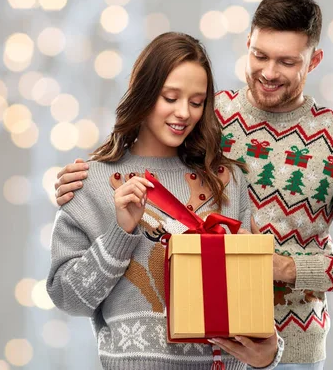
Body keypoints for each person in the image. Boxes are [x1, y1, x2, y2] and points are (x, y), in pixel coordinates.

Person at [55, 0, 333, 370]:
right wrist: (83, 180)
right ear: (247, 42)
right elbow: (147, 150)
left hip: (291, 351)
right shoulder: (211, 115)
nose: (268, 72)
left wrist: (281, 266)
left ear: (314, 60)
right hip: (203, 343)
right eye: (260, 55)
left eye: (287, 61)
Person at [47, 32, 283, 370]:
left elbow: (247, 304)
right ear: (144, 94)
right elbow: (68, 299)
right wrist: (120, 233)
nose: (183, 113)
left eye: (197, 102)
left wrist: (269, 356)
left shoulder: (226, 181)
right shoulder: (91, 183)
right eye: (170, 97)